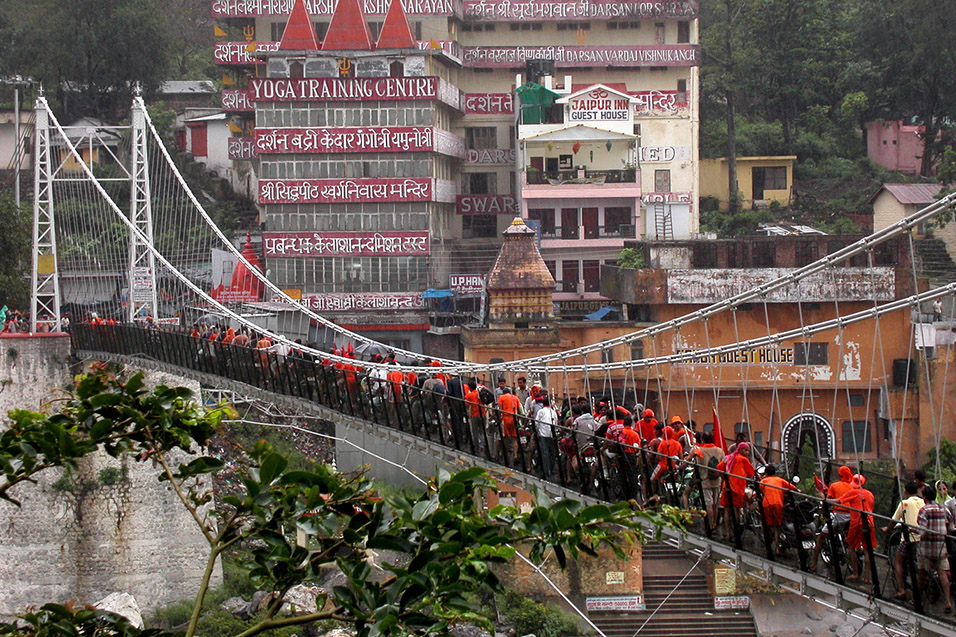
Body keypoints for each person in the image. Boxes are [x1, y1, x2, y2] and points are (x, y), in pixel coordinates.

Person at [884, 481, 925, 602]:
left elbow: (894, 520)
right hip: (922, 537)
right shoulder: (923, 501)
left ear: (906, 491)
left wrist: (887, 529)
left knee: (898, 560)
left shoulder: (904, 503)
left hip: (909, 538)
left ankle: (901, 590)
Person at [810, 465, 854, 572]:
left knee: (821, 537)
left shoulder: (834, 486)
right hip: (852, 515)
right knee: (848, 541)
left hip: (839, 515)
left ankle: (814, 563)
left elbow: (828, 500)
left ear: (839, 475)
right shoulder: (852, 487)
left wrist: (822, 496)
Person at [917, 484, 953, 613]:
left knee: (922, 572)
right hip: (941, 547)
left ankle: (920, 600)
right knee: (943, 573)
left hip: (926, 548)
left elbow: (922, 530)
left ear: (924, 497)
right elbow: (951, 527)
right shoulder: (945, 509)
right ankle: (948, 602)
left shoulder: (924, 510)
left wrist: (913, 530)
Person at [835, 474, 876, 583]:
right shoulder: (870, 494)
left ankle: (855, 573)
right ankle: (867, 578)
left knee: (850, 546)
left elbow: (839, 501)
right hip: (870, 522)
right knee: (868, 549)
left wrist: (825, 500)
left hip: (857, 522)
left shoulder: (853, 492)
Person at [716, 442, 756, 540]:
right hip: (737, 488)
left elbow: (719, 468)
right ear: (741, 450)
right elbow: (751, 473)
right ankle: (736, 533)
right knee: (736, 510)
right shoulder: (743, 459)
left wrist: (724, 479)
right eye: (746, 450)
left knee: (727, 510)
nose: (747, 453)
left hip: (727, 486)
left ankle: (728, 533)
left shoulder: (728, 457)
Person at [688, 431, 725, 528]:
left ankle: (709, 524)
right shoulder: (719, 450)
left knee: (708, 503)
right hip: (717, 480)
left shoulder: (699, 451)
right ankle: (714, 524)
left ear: (702, 440)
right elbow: (724, 464)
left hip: (705, 480)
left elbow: (692, 462)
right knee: (715, 503)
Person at [759, 465, 797, 556]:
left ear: (766, 473)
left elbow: (761, 489)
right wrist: (798, 490)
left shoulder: (764, 480)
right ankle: (777, 548)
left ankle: (768, 546)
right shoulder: (780, 480)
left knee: (767, 526)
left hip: (767, 504)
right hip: (778, 504)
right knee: (777, 527)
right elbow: (792, 487)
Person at [534, 396, 558, 479]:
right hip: (551, 434)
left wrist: (537, 431)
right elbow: (556, 423)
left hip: (543, 434)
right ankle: (552, 469)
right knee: (552, 453)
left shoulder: (541, 411)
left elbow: (536, 422)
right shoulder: (553, 412)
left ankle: (546, 471)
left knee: (544, 453)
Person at [496, 387, 521, 465]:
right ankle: (515, 455)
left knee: (505, 437)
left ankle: (506, 455)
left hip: (505, 418)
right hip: (514, 418)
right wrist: (518, 419)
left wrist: (499, 419)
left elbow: (500, 409)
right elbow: (520, 409)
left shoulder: (501, 397)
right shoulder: (515, 398)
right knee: (514, 438)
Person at [464, 380, 487, 456]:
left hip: (474, 415)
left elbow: (467, 405)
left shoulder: (469, 395)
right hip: (483, 414)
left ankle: (476, 449)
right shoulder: (480, 394)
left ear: (470, 387)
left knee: (475, 433)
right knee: (482, 432)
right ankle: (485, 448)